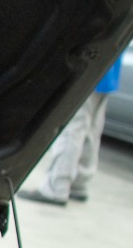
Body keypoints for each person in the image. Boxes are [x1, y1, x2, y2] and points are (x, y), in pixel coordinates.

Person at [18, 57, 124, 205]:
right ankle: (79, 183)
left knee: (71, 128)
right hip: (107, 73)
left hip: (89, 72)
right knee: (91, 129)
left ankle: (56, 187)